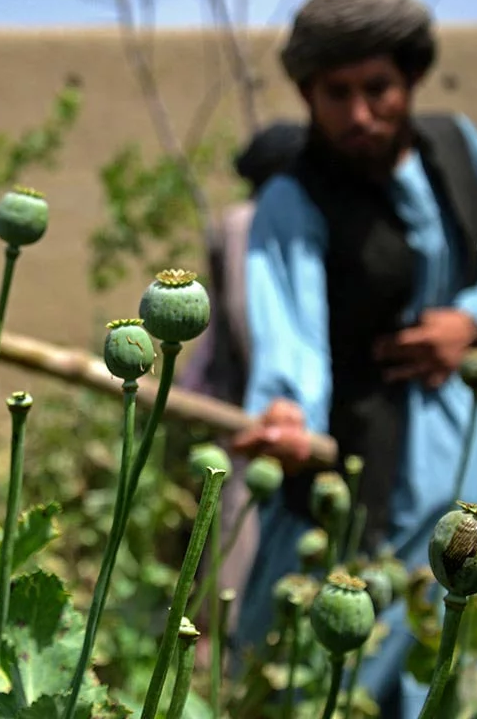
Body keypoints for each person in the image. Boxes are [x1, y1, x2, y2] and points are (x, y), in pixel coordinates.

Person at [228, 0, 477, 718]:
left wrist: (473, 320)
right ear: (307, 94)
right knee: (340, 660)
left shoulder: (462, 152)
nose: (360, 114)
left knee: (474, 648)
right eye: (336, 93)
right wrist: (288, 416)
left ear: (411, 78)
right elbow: (288, 338)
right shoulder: (292, 201)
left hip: (475, 444)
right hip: (363, 462)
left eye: (378, 88)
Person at [174, 121, 308, 655]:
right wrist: (279, 393)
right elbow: (247, 318)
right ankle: (217, 670)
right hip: (252, 414)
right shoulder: (248, 223)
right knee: (237, 546)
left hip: (267, 413)